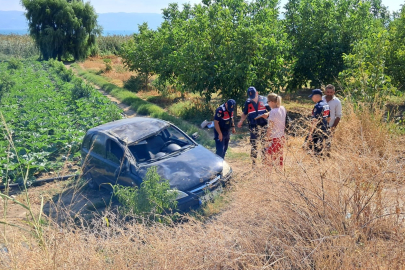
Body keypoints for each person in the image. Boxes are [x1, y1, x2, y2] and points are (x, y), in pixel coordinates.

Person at [237, 87, 271, 165]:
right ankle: (254, 163)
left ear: (257, 93)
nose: (252, 98)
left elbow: (271, 110)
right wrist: (241, 121)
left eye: (253, 96)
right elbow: (245, 113)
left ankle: (264, 162)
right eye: (250, 96)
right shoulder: (248, 102)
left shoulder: (264, 99)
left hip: (263, 125)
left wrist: (267, 114)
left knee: (264, 144)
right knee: (254, 144)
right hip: (253, 126)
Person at [265, 93, 286, 167]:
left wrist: (267, 139)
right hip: (281, 136)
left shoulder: (273, 112)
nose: (268, 103)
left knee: (268, 157)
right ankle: (279, 174)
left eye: (268, 102)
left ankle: (268, 175)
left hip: (274, 137)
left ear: (272, 102)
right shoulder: (283, 108)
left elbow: (270, 127)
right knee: (279, 157)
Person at [308, 89, 330, 156]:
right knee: (322, 149)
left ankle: (316, 163)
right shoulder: (326, 105)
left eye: (312, 96)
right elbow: (329, 118)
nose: (312, 98)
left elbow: (315, 121)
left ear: (317, 96)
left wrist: (311, 133)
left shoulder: (318, 106)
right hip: (325, 129)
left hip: (318, 131)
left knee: (316, 150)